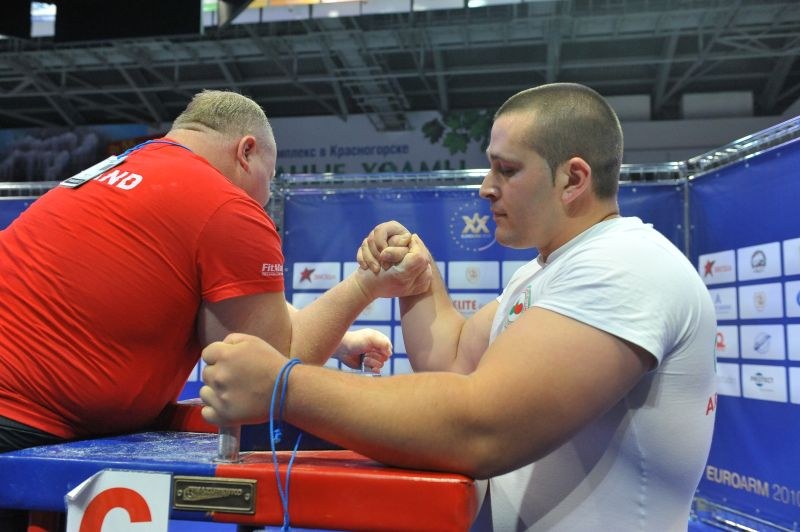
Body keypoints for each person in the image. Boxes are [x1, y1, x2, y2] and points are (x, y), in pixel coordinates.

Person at [199, 83, 718, 530]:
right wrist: (418, 280)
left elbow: (481, 428)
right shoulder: (544, 272)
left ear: (574, 180)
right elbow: (450, 356)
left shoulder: (624, 266)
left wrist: (284, 385)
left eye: (506, 170)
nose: (487, 188)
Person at [0, 89, 395, 456]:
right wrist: (365, 284)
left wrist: (340, 341)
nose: (267, 195)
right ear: (247, 151)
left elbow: (231, 301)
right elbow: (265, 378)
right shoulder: (226, 206)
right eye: (269, 177)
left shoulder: (115, 170)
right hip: (22, 430)